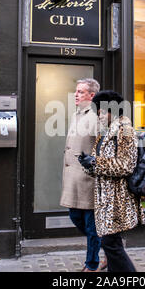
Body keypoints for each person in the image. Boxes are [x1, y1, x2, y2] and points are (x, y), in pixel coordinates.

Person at [78, 90, 145, 272]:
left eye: (100, 112)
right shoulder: (106, 133)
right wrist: (89, 164)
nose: (98, 116)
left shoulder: (125, 130)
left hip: (118, 200)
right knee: (111, 245)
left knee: (112, 245)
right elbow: (101, 166)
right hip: (105, 200)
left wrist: (96, 162)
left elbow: (126, 165)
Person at [59, 78, 105, 272]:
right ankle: (108, 250)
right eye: (76, 91)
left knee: (91, 224)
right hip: (74, 178)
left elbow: (105, 145)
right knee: (75, 216)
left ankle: (92, 265)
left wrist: (95, 165)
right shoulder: (79, 114)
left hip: (89, 179)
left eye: (80, 92)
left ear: (91, 95)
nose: (76, 95)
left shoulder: (96, 117)